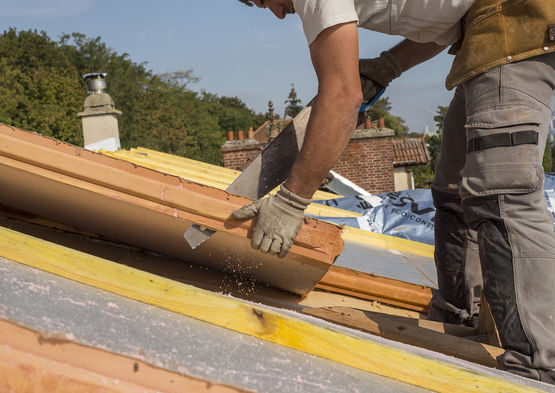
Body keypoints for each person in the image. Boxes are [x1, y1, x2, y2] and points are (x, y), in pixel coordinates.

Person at [234, 0, 555, 384]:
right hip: (486, 33)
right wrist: (390, 65)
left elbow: (342, 95)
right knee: (454, 191)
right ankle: (460, 315)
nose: (274, 12)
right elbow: (445, 20)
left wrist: (292, 199)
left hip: (516, 22)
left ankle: (539, 364)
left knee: (502, 192)